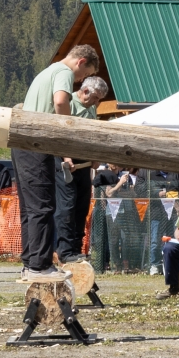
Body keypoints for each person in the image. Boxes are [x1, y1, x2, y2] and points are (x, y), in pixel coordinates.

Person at [14, 44, 103, 285]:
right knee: (43, 207)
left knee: (31, 208)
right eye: (83, 76)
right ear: (81, 62)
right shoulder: (63, 72)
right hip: (37, 144)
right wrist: (66, 133)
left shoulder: (48, 71)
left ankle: (30, 262)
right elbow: (61, 101)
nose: (80, 80)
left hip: (22, 143)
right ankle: (40, 266)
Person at [55, 76, 110, 267]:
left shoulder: (91, 108)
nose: (97, 102)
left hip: (84, 166)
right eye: (95, 98)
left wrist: (95, 156)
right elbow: (60, 132)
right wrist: (66, 156)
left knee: (82, 206)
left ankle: (77, 249)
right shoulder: (68, 102)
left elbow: (92, 135)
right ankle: (64, 250)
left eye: (99, 100)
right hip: (66, 163)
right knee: (67, 207)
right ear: (85, 91)